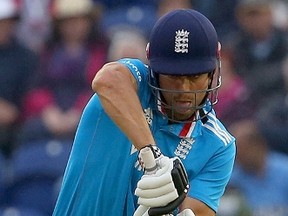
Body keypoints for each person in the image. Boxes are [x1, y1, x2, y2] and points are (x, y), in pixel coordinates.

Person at [53, 9, 236, 216]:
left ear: (212, 73)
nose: (184, 89)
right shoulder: (132, 85)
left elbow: (199, 211)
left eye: (195, 77)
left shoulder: (219, 145)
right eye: (173, 77)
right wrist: (153, 157)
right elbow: (106, 80)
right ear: (154, 71)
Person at [228, 119, 288, 215]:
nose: (239, 157)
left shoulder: (285, 171)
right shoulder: (232, 181)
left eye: (244, 149)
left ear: (259, 145)